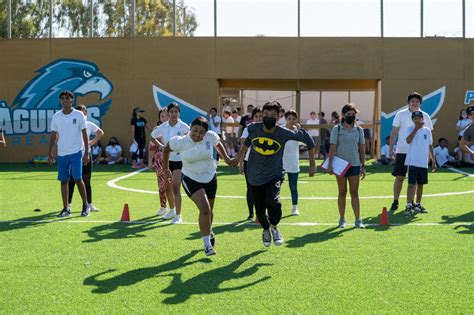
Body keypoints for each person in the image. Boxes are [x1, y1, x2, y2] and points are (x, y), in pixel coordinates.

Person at [232, 101, 316, 248]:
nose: (268, 117)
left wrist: (312, 164)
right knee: (259, 212)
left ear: (279, 117)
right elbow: (246, 144)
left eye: (272, 115)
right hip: (254, 175)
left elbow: (307, 139)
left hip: (274, 174)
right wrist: (237, 159)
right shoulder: (253, 129)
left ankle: (275, 227)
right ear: (261, 116)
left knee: (273, 203)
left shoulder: (283, 132)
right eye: (266, 115)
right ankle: (266, 229)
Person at [163, 117, 232, 256]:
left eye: (201, 132)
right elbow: (166, 149)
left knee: (209, 212)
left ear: (206, 133)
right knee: (205, 209)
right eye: (194, 130)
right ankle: (207, 245)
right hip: (191, 178)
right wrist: (166, 169)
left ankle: (209, 230)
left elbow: (218, 144)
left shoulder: (210, 137)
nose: (197, 135)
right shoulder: (180, 141)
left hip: (210, 176)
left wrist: (227, 158)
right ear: (190, 128)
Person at [48, 90, 91, 217]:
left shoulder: (79, 115)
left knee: (78, 178)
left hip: (76, 152)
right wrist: (50, 152)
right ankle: (66, 208)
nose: (65, 100)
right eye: (63, 98)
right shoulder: (56, 116)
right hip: (62, 153)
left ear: (72, 100)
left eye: (67, 98)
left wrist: (87, 152)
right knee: (63, 180)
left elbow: (84, 134)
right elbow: (53, 135)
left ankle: (85, 205)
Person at [389, 92, 433, 212]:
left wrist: (430, 155)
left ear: (420, 103)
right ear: (408, 102)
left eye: (417, 101)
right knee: (400, 177)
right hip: (402, 150)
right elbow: (394, 133)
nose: (415, 103)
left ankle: (413, 204)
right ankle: (395, 201)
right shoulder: (401, 114)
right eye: (412, 101)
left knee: (416, 180)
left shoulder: (425, 116)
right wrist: (391, 149)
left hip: (418, 154)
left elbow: (429, 137)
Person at [327, 104, 366, 228]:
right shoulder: (336, 129)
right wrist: (330, 164)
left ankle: (358, 220)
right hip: (340, 165)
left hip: (354, 164)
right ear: (343, 115)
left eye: (353, 115)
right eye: (348, 114)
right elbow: (332, 147)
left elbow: (362, 148)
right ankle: (342, 219)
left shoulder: (359, 130)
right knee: (342, 192)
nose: (351, 116)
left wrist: (363, 165)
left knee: (354, 192)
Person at [151, 102, 190, 224]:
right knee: (168, 188)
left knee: (176, 187)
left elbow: (191, 139)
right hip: (166, 162)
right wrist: (161, 145)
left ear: (179, 113)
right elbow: (152, 136)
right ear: (168, 113)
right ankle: (172, 210)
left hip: (179, 162)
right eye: (171, 111)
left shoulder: (184, 127)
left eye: (176, 111)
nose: (174, 114)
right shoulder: (164, 126)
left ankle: (178, 216)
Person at [68, 105, 104, 212]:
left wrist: (91, 142)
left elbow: (100, 132)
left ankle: (89, 204)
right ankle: (68, 205)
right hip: (74, 155)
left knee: (87, 181)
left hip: (86, 156)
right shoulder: (72, 125)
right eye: (78, 112)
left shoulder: (89, 125)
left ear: (86, 114)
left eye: (83, 113)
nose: (81, 115)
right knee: (72, 181)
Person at [404, 111, 436, 215]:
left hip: (423, 162)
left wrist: (433, 160)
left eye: (419, 118)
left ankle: (417, 204)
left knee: (421, 184)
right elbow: (408, 140)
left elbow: (430, 145)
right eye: (415, 118)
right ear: (412, 120)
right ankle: (409, 205)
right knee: (411, 184)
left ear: (423, 119)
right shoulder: (409, 129)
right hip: (413, 161)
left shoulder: (427, 130)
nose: (417, 120)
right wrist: (415, 129)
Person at [148, 108, 174, 217]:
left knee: (173, 184)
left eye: (166, 116)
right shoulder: (157, 129)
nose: (164, 118)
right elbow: (151, 147)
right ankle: (163, 206)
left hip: (174, 159)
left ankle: (174, 208)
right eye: (162, 116)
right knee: (162, 184)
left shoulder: (174, 128)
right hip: (160, 160)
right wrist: (150, 161)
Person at [239, 107, 263, 221]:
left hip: (264, 162)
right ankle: (251, 213)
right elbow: (243, 148)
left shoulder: (267, 129)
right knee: (250, 188)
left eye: (260, 116)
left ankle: (261, 212)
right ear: (252, 118)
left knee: (262, 188)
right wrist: (240, 163)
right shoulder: (248, 129)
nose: (259, 119)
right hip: (249, 161)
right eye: (256, 116)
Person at [283, 110, 303, 216]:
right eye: (289, 119)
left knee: (293, 186)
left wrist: (299, 130)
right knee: (275, 186)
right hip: (280, 163)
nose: (291, 121)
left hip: (293, 163)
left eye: (293, 119)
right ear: (286, 119)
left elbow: (304, 142)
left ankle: (295, 207)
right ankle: (272, 206)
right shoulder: (280, 129)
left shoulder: (298, 132)